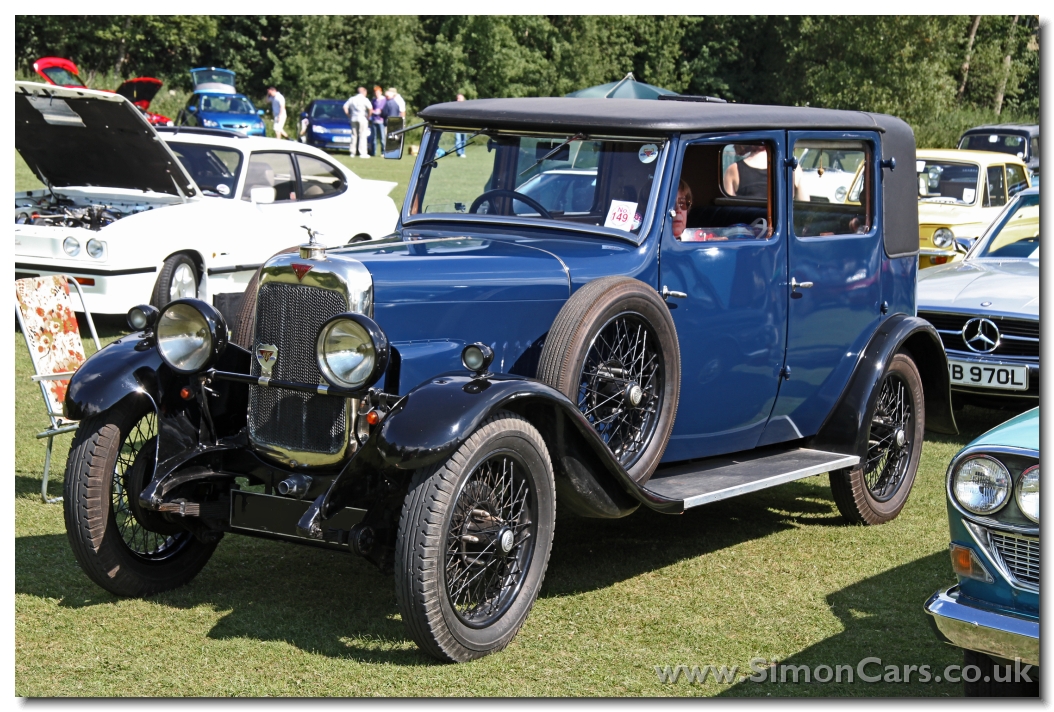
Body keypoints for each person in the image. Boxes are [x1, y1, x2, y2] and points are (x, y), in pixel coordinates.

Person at [343, 86, 373, 158]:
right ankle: (362, 153)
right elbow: (370, 109)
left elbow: (345, 107)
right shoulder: (365, 99)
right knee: (362, 135)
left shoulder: (352, 99)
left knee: (354, 135)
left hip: (353, 118)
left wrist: (349, 115)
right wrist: (368, 116)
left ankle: (352, 152)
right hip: (362, 118)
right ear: (364, 92)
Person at [369, 85, 387, 157]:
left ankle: (383, 152)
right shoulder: (373, 100)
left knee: (382, 137)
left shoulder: (384, 100)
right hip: (374, 120)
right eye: (375, 92)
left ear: (380, 92)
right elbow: (371, 110)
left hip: (381, 121)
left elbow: (383, 110)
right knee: (374, 138)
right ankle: (373, 152)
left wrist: (379, 111)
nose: (376, 94)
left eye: (377, 92)